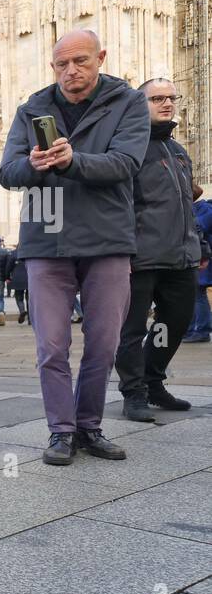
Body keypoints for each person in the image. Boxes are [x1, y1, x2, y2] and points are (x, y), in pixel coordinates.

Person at [0, 29, 149, 465]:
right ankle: (61, 432)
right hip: (46, 237)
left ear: (100, 57)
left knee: (103, 344)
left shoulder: (127, 102)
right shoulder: (33, 108)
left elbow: (126, 162)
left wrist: (72, 160)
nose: (71, 71)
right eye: (62, 64)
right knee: (52, 346)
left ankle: (89, 426)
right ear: (52, 67)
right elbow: (7, 171)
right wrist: (32, 164)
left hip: (106, 238)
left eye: (80, 61)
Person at [114, 78, 204, 421]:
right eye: (156, 98)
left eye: (170, 97)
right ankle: (133, 392)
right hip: (140, 258)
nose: (166, 103)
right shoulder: (128, 148)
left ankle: (153, 381)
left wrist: (199, 244)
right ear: (139, 104)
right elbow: (117, 205)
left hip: (181, 257)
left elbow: (186, 204)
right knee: (132, 330)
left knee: (174, 323)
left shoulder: (178, 151)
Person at [185, 193, 212, 343]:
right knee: (196, 294)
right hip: (199, 258)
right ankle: (196, 329)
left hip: (202, 259)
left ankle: (202, 330)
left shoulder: (204, 210)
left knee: (198, 294)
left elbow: (198, 227)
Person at [8, 247, 30, 324]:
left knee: (19, 297)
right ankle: (30, 319)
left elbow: (9, 266)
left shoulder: (13, 253)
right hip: (29, 277)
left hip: (17, 278)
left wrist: (7, 276)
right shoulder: (30, 252)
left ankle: (22, 310)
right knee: (30, 299)